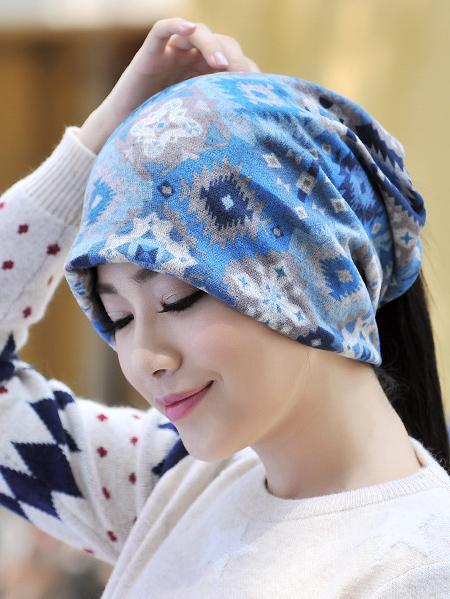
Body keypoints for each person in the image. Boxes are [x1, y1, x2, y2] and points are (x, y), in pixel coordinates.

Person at [0, 16, 449, 599]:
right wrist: (101, 137)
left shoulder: (416, 569)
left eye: (177, 299)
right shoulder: (170, 485)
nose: (144, 359)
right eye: (119, 318)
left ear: (307, 274)